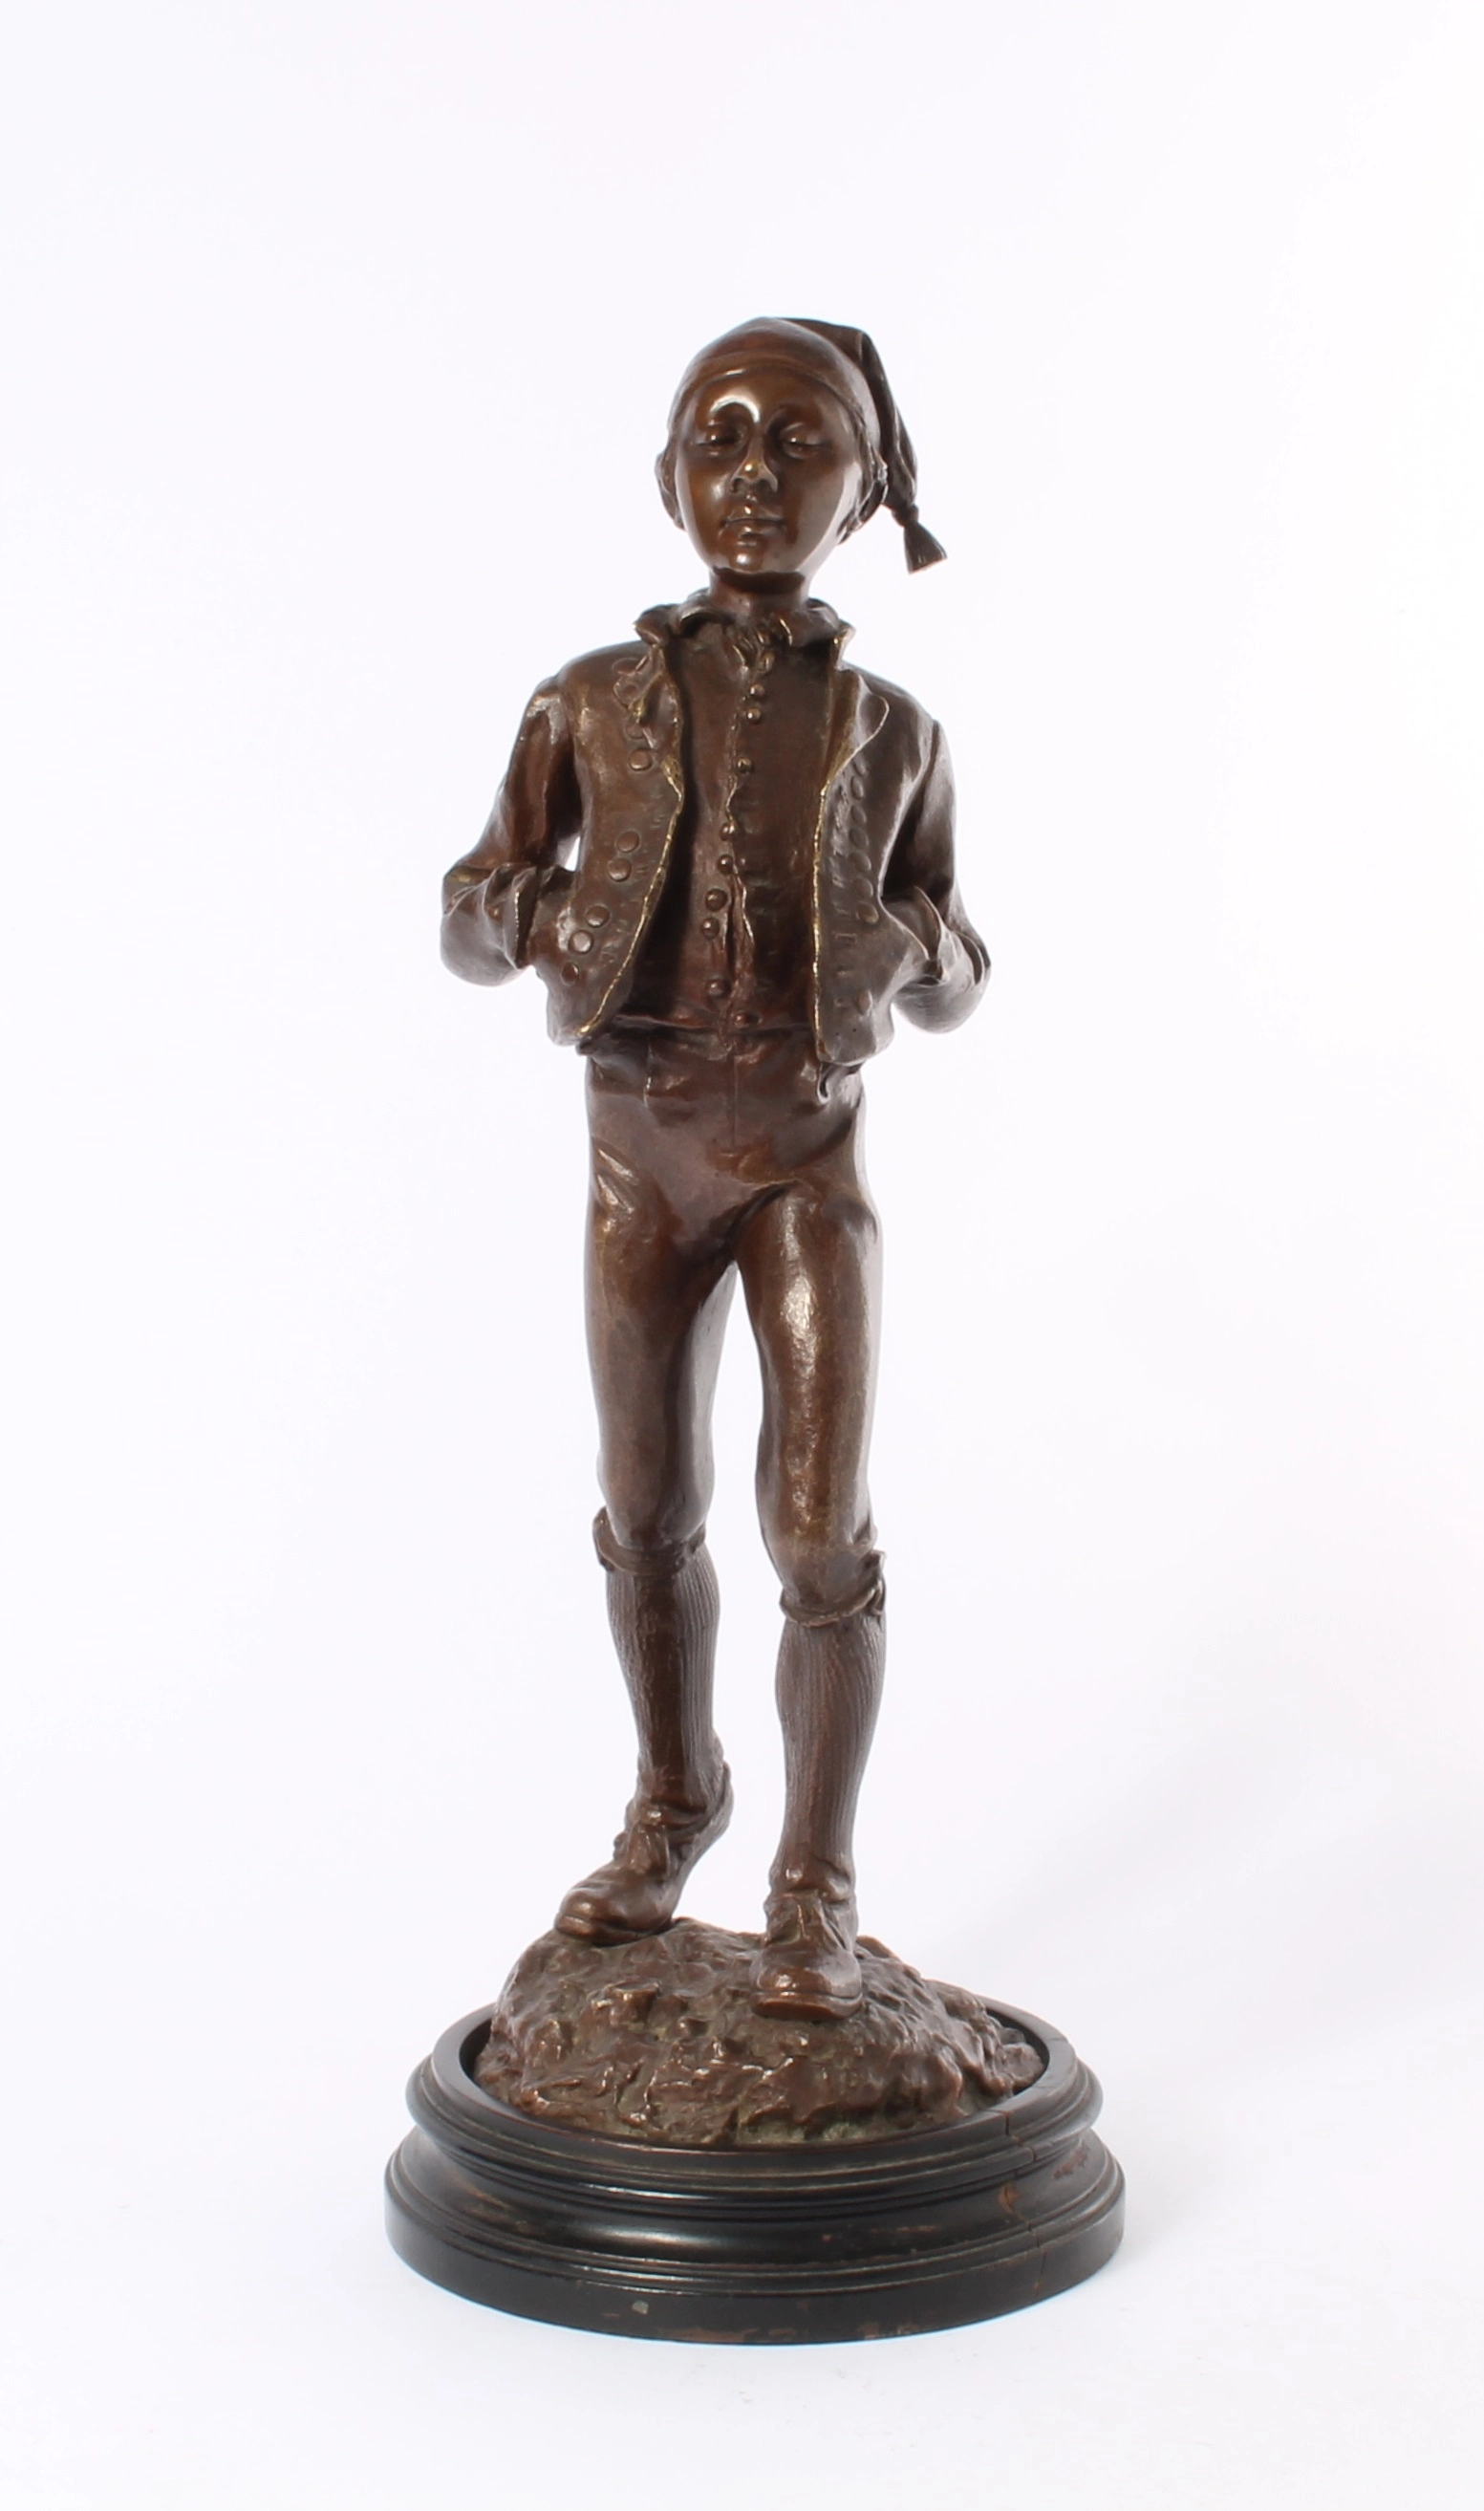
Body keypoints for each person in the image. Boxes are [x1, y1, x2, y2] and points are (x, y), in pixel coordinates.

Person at [441, 318, 988, 2018]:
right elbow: (467, 904)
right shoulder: (587, 700)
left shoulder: (893, 729)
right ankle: (676, 1796)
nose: (755, 477)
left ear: (866, 490)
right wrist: (544, 917)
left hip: (806, 1166)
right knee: (645, 1509)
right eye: (721, 438)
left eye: (802, 444)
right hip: (639, 1161)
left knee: (818, 1534)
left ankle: (815, 1881)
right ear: (668, 471)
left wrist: (911, 945)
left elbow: (962, 958)